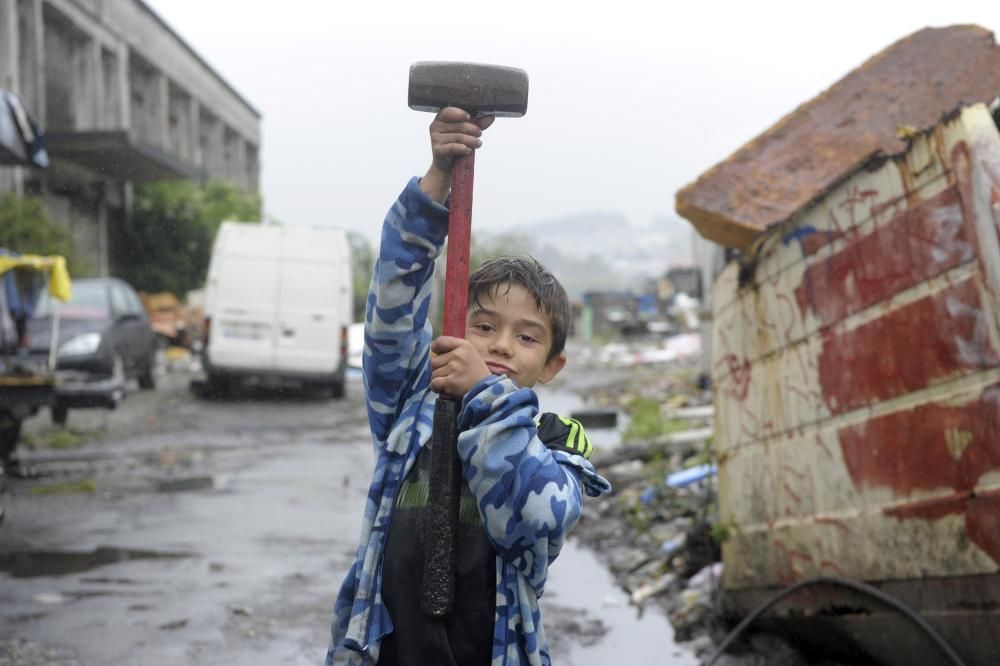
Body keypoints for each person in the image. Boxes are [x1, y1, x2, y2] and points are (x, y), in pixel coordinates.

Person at [325, 107, 611, 666]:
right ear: (456, 330)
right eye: (483, 327)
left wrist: (485, 398)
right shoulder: (410, 407)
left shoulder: (556, 442)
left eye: (526, 338)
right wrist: (438, 176)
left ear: (551, 366)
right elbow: (392, 302)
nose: (501, 345)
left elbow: (536, 522)